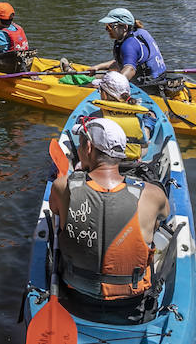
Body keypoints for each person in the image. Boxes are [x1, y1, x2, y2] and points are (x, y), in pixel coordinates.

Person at [50, 117, 170, 310]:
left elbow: (55, 210)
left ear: (88, 147)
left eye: (80, 146)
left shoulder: (62, 186)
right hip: (132, 298)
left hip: (74, 290)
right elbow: (164, 215)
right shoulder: (153, 194)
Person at [91, 8, 166, 87]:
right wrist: (97, 67)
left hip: (148, 88)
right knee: (99, 78)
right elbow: (126, 60)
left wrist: (111, 86)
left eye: (110, 26)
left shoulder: (129, 44)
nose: (107, 29)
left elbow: (130, 69)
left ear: (124, 27)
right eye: (106, 26)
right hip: (160, 81)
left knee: (93, 84)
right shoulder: (140, 33)